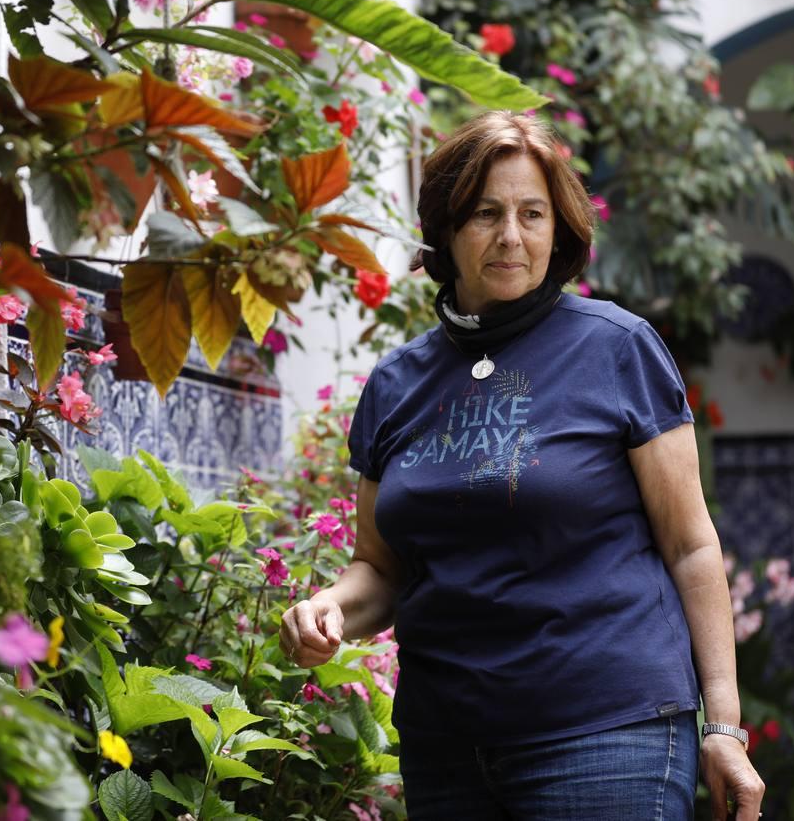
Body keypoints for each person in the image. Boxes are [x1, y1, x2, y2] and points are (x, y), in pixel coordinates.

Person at [278, 111, 765, 820]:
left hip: (607, 736)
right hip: (447, 748)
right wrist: (328, 611)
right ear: (447, 229)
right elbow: (381, 570)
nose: (511, 236)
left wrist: (723, 729)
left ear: (558, 229)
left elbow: (690, 545)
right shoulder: (395, 383)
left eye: (532, 213)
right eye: (486, 213)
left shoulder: (617, 349)